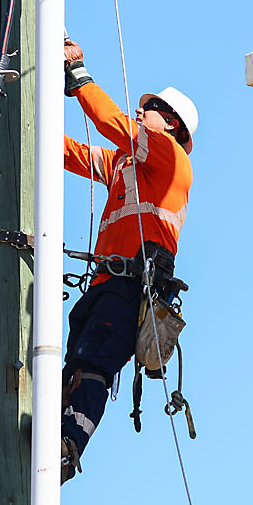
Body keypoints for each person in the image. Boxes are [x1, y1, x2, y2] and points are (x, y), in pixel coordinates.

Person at [58, 37, 197, 482]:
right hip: (103, 287)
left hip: (129, 290)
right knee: (73, 369)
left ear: (171, 124)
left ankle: (68, 447)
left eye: (150, 107)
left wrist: (79, 75)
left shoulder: (169, 157)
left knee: (94, 365)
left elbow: (112, 123)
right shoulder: (125, 164)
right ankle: (50, 439)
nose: (141, 111)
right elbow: (72, 153)